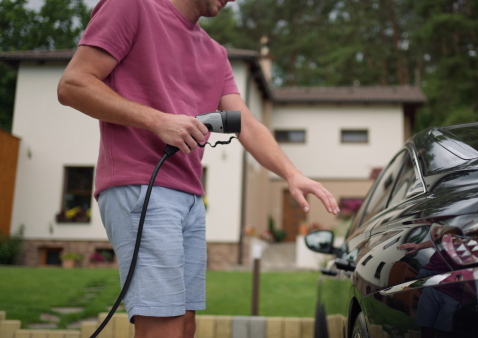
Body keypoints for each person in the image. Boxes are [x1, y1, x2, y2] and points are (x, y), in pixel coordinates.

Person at [57, 0, 340, 337]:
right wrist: (157, 120)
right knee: (163, 324)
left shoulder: (215, 53)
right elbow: (73, 85)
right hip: (141, 186)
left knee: (185, 323)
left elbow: (245, 124)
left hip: (190, 197)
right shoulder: (131, 6)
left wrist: (293, 174)